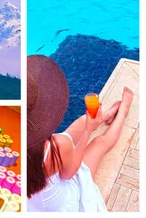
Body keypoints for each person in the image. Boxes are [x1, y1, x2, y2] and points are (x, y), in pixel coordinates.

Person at [27, 55, 134, 212]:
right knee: (98, 142)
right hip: (64, 204)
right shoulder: (58, 145)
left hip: (37, 205)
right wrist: (88, 131)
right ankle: (123, 111)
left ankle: (106, 115)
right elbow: (68, 174)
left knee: (70, 132)